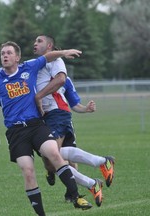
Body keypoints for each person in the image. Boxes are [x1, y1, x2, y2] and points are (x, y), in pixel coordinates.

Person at [0, 41, 92, 216]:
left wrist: (64, 52)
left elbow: (47, 57)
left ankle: (76, 197)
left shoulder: (29, 67)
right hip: (16, 132)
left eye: (8, 53)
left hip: (36, 125)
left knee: (54, 153)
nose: (4, 56)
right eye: (2, 53)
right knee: (28, 171)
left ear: (17, 57)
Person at [33, 35, 115, 207]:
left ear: (50, 46)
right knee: (54, 158)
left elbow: (71, 98)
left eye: (39, 41)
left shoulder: (56, 61)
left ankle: (98, 168)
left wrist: (84, 109)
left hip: (58, 115)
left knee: (53, 156)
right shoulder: (38, 66)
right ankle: (90, 181)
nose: (35, 43)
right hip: (50, 117)